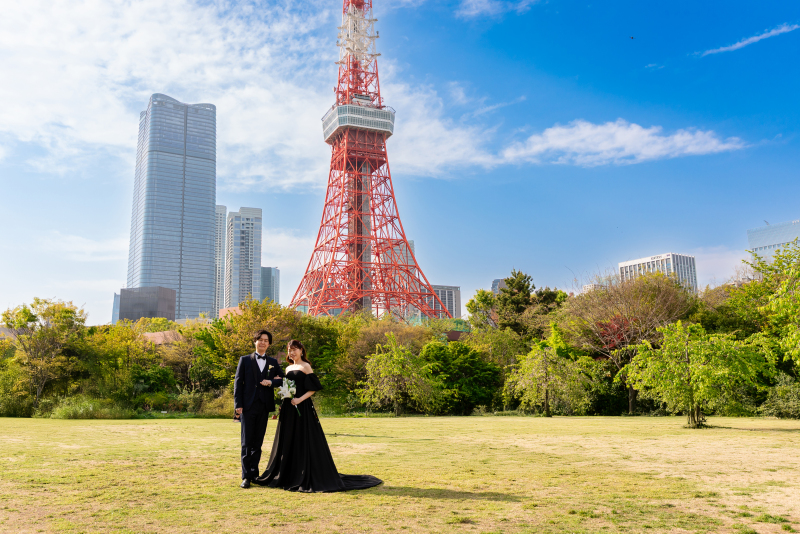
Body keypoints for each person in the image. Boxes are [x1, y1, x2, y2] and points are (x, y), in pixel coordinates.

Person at [255, 339, 382, 492]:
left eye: (295, 349)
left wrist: (299, 400)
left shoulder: (306, 366)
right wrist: (283, 392)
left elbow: (313, 388)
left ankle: (304, 473)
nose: (292, 352)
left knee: (303, 439)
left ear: (302, 350)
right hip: (289, 408)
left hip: (302, 407)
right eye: (290, 349)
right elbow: (288, 386)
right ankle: (288, 473)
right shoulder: (288, 368)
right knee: (288, 439)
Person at [234, 329, 283, 488]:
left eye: (266, 340)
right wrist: (238, 405)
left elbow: (283, 380)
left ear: (269, 344)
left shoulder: (273, 362)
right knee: (246, 442)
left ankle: (255, 474)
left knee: (258, 442)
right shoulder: (245, 360)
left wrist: (271, 382)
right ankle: (246, 476)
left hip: (264, 407)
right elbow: (238, 384)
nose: (263, 342)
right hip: (247, 407)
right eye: (260, 339)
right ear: (255, 341)